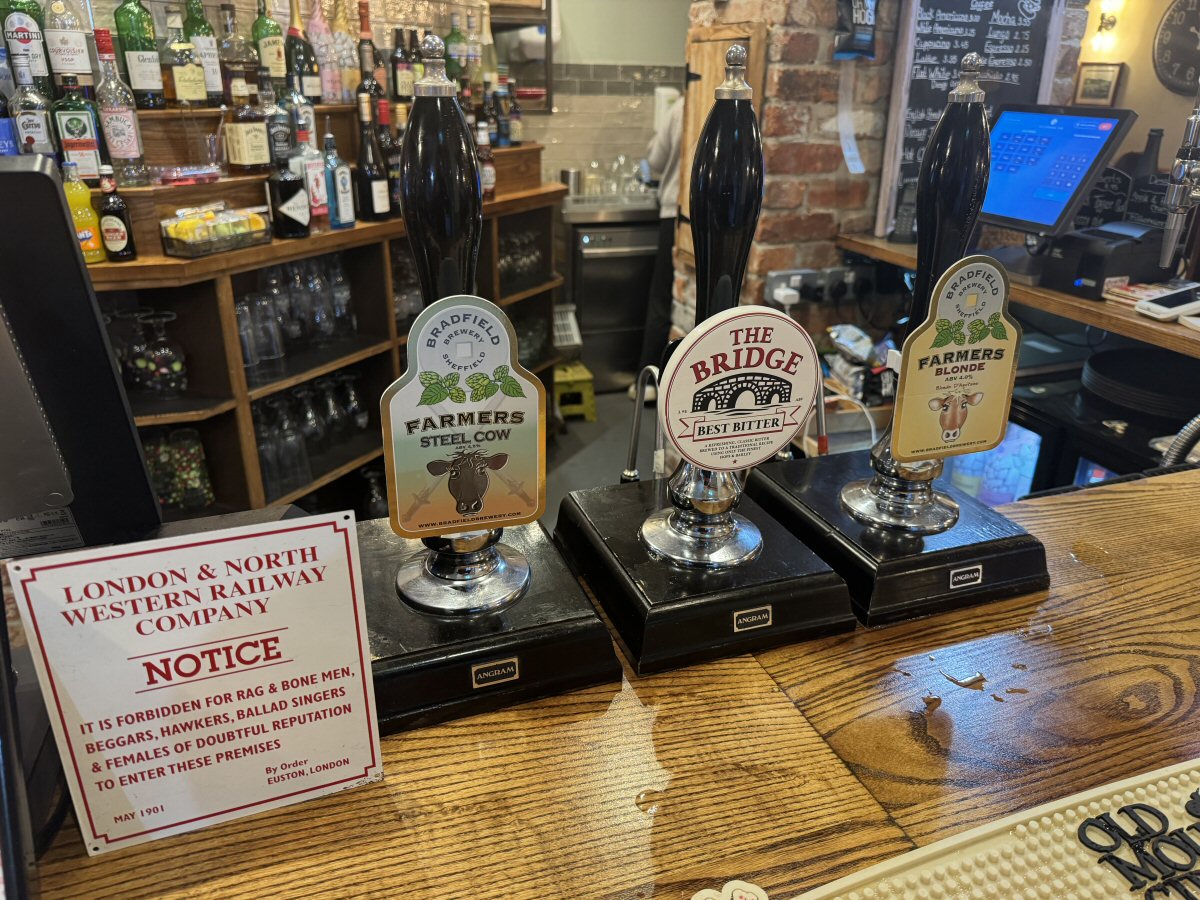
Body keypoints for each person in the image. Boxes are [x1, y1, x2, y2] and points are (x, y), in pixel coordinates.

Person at [629, 96, 683, 402]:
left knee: (662, 299)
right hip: (724, 217)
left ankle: (648, 382)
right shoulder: (746, 104)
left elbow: (654, 161)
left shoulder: (682, 106)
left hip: (675, 213)